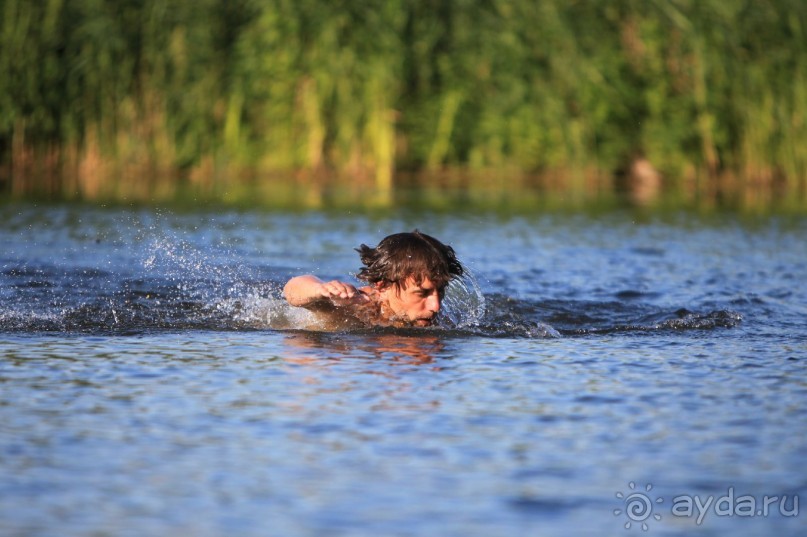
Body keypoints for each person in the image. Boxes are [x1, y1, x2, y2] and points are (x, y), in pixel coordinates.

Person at [283, 230, 464, 329]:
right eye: (422, 293)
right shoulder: (359, 307)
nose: (436, 306)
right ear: (383, 285)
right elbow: (292, 290)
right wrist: (320, 290)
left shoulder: (445, 322)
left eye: (440, 290)